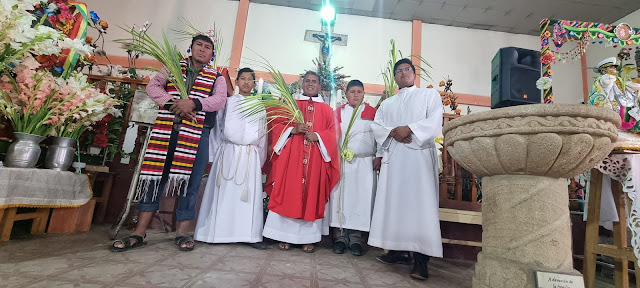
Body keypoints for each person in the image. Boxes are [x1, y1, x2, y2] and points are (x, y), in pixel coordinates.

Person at [110, 33, 227, 252]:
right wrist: (174, 103)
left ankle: (182, 233)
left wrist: (193, 103)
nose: (202, 49)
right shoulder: (173, 68)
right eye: (198, 45)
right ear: (191, 48)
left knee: (191, 183)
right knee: (155, 178)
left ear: (212, 54)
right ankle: (139, 231)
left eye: (207, 47)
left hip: (197, 133)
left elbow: (219, 100)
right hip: (167, 129)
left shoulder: (216, 77)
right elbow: (153, 87)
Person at [368, 58, 443, 280]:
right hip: (395, 161)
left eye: (407, 69)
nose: (403, 73)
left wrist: (409, 128)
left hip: (418, 160)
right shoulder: (387, 104)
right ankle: (398, 251)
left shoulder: (429, 96)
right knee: (396, 205)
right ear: (394, 77)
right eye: (398, 71)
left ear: (414, 73)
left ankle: (421, 260)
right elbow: (377, 126)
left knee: (420, 207)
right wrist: (393, 132)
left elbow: (435, 121)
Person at [262, 71, 340, 253]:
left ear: (320, 86)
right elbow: (277, 125)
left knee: (311, 194)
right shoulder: (290, 105)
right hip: (292, 159)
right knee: (289, 192)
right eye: (307, 81)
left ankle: (308, 238)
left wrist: (319, 136)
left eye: (314, 82)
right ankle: (284, 237)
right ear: (301, 84)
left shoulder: (327, 110)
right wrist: (293, 129)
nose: (311, 84)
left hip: (315, 160)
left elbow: (334, 133)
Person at [194, 67, 267, 249]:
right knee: (224, 192)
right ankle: (216, 232)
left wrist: (260, 159)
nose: (246, 82)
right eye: (242, 78)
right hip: (227, 152)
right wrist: (215, 154)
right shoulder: (227, 103)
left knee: (247, 197)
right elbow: (217, 129)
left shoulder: (259, 106)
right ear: (236, 82)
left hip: (250, 155)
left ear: (253, 84)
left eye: (250, 79)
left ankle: (250, 235)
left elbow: (263, 134)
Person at [328, 80, 380, 256]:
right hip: (342, 163)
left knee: (360, 199)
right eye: (352, 92)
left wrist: (379, 155)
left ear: (364, 93)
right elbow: (331, 136)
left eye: (359, 91)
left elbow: (380, 137)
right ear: (346, 94)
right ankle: (340, 237)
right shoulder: (339, 112)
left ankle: (356, 239)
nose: (356, 95)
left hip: (364, 163)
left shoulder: (373, 113)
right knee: (341, 199)